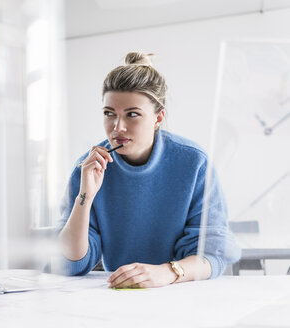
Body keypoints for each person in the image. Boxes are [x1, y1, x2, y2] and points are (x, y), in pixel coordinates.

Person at [57, 52, 240, 288]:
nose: (117, 127)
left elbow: (212, 255)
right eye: (108, 114)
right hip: (115, 292)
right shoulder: (88, 167)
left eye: (132, 114)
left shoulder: (194, 162)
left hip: (180, 292)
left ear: (158, 118)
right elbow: (72, 263)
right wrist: (86, 197)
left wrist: (168, 272)